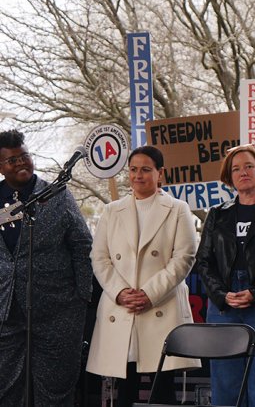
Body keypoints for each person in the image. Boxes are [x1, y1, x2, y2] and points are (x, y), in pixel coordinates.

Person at [86, 145, 200, 407]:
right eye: (134, 169)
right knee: (124, 389)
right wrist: (120, 292)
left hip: (162, 305)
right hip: (122, 307)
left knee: (163, 389)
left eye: (146, 170)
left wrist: (149, 294)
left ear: (160, 173)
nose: (138, 176)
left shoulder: (178, 208)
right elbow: (99, 257)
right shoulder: (112, 210)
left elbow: (184, 257)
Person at [0, 129, 93, 406]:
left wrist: (83, 296)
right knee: (6, 388)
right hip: (6, 312)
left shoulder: (57, 196)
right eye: (12, 160)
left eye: (25, 156)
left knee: (55, 389)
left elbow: (83, 245)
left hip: (58, 312)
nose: (21, 164)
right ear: (0, 166)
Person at [196, 144, 255, 407]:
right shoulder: (217, 214)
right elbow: (203, 262)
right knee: (225, 381)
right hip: (224, 304)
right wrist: (221, 295)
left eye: (249, 166)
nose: (243, 172)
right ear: (229, 177)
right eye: (235, 169)